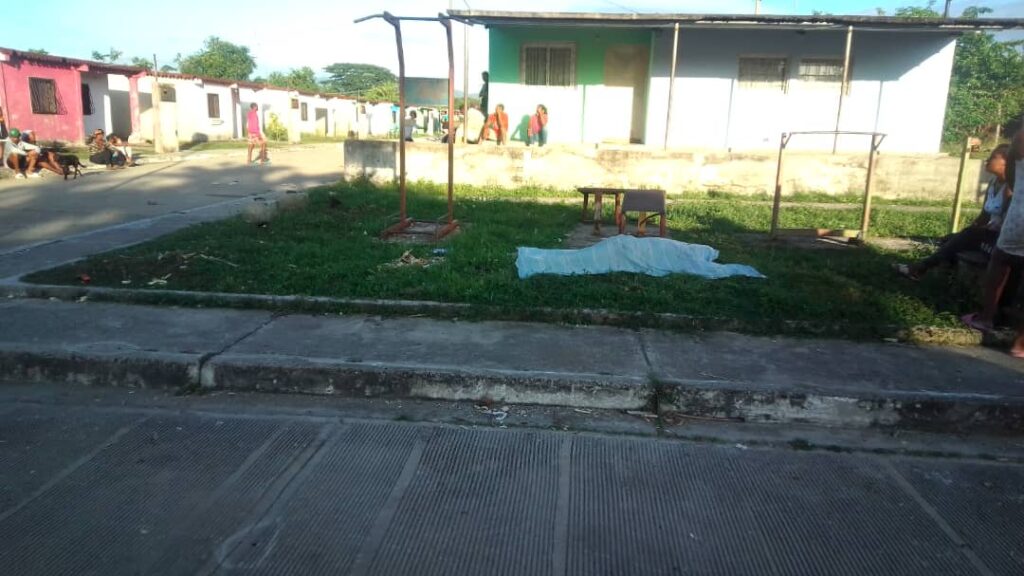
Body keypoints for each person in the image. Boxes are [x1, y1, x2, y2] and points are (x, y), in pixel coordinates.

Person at [894, 145, 1011, 280]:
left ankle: (919, 269)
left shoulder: (1010, 189)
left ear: (1007, 163)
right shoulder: (993, 183)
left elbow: (1008, 222)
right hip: (986, 234)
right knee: (949, 239)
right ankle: (948, 278)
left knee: (965, 237)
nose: (988, 159)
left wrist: (974, 232)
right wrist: (973, 227)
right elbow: (984, 215)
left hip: (998, 240)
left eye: (993, 157)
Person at [963, 130, 1024, 348]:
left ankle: (986, 317)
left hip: (1020, 216)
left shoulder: (1021, 136)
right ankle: (1020, 343)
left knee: (1000, 260)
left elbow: (1012, 176)